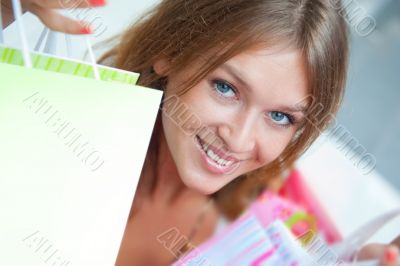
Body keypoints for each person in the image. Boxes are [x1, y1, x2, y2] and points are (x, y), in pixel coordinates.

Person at [2, 0, 399, 265]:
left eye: (280, 117)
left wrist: (346, 258)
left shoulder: (261, 233)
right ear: (171, 53)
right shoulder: (45, 129)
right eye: (225, 88)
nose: (239, 140)